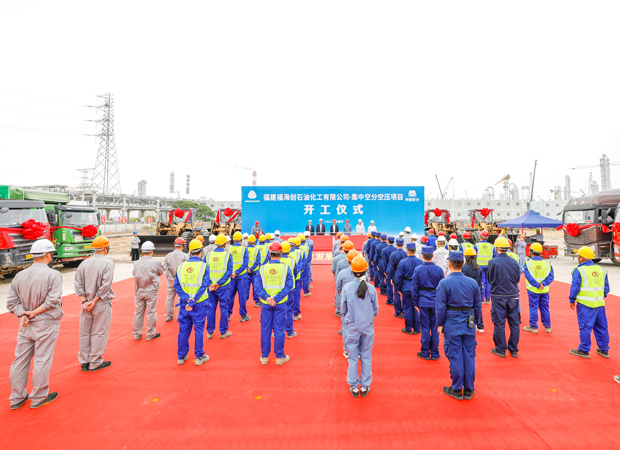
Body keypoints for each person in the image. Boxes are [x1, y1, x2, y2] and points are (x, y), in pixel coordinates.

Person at [7, 239, 62, 410]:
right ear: (48, 255)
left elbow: (11, 302)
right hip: (46, 323)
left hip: (25, 324)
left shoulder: (20, 275)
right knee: (42, 359)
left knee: (20, 360)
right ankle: (39, 397)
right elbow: (52, 301)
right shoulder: (53, 275)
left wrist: (23, 314)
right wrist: (35, 312)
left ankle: (16, 397)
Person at [436, 251, 482, 400]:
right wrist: (477, 322)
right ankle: (469, 388)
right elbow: (478, 306)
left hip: (452, 323)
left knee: (455, 356)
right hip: (469, 323)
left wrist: (439, 324)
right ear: (463, 263)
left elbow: (440, 307)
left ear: (449, 264)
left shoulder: (444, 283)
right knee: (469, 356)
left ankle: (456, 389)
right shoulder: (472, 283)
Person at [74, 235, 115, 372]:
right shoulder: (108, 263)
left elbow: (78, 284)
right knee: (99, 331)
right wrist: (94, 301)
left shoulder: (84, 263)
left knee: (84, 332)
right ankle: (96, 361)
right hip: (100, 302)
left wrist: (85, 301)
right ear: (105, 248)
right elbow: (105, 285)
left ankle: (84, 361)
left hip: (85, 304)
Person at [341, 255, 378, 398]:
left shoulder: (347, 288)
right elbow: (375, 310)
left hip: (352, 328)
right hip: (367, 328)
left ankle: (354, 387)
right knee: (366, 356)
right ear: (365, 271)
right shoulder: (371, 289)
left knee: (352, 357)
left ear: (352, 271)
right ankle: (365, 385)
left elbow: (343, 310)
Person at [255, 241, 295, 365]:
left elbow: (257, 287)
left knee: (265, 329)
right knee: (279, 329)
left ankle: (264, 357)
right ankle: (279, 357)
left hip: (266, 304)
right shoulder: (286, 269)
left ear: (269, 253)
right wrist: (276, 298)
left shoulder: (262, 269)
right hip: (280, 304)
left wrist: (267, 298)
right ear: (281, 253)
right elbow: (289, 285)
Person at [568, 246, 610, 359]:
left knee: (585, 327)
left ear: (581, 258)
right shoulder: (602, 270)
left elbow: (575, 288)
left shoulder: (579, 270)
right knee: (602, 327)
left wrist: (572, 299)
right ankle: (604, 349)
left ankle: (584, 350)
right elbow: (606, 288)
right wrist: (599, 296)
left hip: (585, 305)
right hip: (600, 304)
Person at [174, 239, 211, 366]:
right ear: (201, 251)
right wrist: (193, 301)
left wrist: (187, 299)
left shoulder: (181, 266)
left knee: (183, 330)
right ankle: (199, 356)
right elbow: (204, 285)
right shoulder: (204, 267)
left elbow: (177, 285)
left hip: (184, 304)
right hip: (199, 304)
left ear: (190, 252)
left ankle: (181, 356)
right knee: (199, 329)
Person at [487, 237, 521, 358]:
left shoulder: (493, 262)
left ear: (497, 248)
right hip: (513, 296)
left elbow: (490, 278)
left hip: (499, 296)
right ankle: (513, 349)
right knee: (514, 324)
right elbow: (517, 278)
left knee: (499, 323)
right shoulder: (514, 261)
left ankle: (501, 349)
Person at [412, 245, 444, 360]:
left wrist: (415, 302)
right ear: (432, 256)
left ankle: (425, 352)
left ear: (423, 256)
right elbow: (442, 288)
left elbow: (414, 287)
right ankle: (435, 352)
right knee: (435, 327)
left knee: (425, 327)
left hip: (423, 301)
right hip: (435, 301)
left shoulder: (418, 269)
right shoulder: (439, 270)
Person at [132, 241, 164, 341]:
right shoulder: (156, 263)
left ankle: (137, 334)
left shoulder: (136, 263)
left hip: (139, 290)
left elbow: (134, 273)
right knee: (151, 313)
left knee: (138, 313)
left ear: (142, 251)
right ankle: (150, 333)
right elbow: (161, 272)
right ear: (152, 251)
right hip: (151, 290)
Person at [205, 234, 234, 339]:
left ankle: (210, 332)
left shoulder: (208, 255)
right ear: (225, 244)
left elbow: (204, 271)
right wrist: (219, 283)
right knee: (224, 308)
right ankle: (223, 332)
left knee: (211, 309)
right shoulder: (227, 255)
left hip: (211, 287)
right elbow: (229, 271)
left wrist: (210, 283)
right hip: (223, 287)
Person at [523, 243, 554, 334]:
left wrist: (537, 285)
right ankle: (547, 327)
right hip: (544, 290)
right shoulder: (547, 263)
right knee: (545, 308)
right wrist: (543, 284)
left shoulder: (527, 263)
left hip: (533, 290)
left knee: (533, 307)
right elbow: (551, 276)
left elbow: (528, 277)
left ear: (531, 251)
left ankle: (533, 326)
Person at [394, 242, 423, 334]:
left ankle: (408, 328)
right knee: (416, 308)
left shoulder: (403, 262)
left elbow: (399, 277)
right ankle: (417, 328)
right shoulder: (420, 262)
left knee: (407, 308)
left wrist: (398, 288)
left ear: (407, 251)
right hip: (417, 287)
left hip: (406, 287)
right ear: (415, 250)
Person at [162, 237, 189, 322]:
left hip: (172, 280)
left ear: (175, 245)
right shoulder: (185, 256)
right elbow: (187, 269)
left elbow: (165, 268)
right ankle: (180, 315)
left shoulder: (168, 256)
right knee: (180, 298)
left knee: (169, 299)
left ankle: (168, 316)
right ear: (182, 246)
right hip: (181, 281)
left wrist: (171, 279)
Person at [228, 232, 251, 322]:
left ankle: (228, 315)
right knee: (242, 296)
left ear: (233, 239)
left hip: (231, 276)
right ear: (241, 240)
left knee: (230, 296)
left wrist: (232, 272)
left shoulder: (228, 249)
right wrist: (237, 272)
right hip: (241, 276)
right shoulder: (244, 249)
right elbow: (245, 263)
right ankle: (243, 315)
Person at [336, 249, 359, 339]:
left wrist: (339, 292)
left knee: (344, 314)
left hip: (345, 297)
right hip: (358, 298)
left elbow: (338, 285)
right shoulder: (364, 274)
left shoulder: (342, 273)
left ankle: (344, 330)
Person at [280, 241, 299, 339]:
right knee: (289, 309)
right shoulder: (292, 261)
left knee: (278, 311)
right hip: (290, 289)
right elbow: (295, 274)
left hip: (279, 289)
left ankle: (277, 331)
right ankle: (290, 332)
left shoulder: (276, 261)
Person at [462, 248, 484, 332]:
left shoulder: (465, 268)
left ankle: (470, 324)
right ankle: (480, 326)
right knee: (478, 308)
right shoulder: (478, 268)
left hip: (467, 291)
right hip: (477, 290)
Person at [334, 241, 356, 317]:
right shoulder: (359, 262)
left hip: (343, 286)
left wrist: (338, 287)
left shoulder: (340, 262)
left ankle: (338, 310)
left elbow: (336, 277)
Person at [474, 230, 497, 303]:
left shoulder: (476, 246)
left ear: (480, 237)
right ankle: (488, 298)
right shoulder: (492, 246)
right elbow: (495, 257)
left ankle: (481, 298)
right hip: (489, 266)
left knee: (481, 282)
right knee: (489, 282)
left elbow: (474, 256)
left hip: (479, 266)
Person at [387, 238, 407, 313]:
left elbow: (391, 268)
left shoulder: (393, 254)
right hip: (405, 276)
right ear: (403, 244)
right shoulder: (406, 254)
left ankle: (398, 311)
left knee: (397, 294)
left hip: (396, 275)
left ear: (396, 244)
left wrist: (390, 277)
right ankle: (404, 311)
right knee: (404, 294)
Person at [245, 235, 262, 308]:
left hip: (246, 272)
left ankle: (244, 301)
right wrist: (251, 269)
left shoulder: (244, 249)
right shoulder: (257, 250)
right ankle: (257, 301)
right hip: (254, 272)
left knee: (246, 288)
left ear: (248, 242)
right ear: (254, 241)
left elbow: (244, 261)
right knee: (255, 288)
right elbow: (258, 261)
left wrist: (248, 269)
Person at [380, 236, 397, 305]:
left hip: (388, 267)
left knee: (389, 284)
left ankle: (390, 299)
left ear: (388, 240)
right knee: (396, 284)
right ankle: (396, 299)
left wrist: (384, 270)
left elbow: (384, 261)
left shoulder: (384, 250)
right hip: (395, 268)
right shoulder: (396, 249)